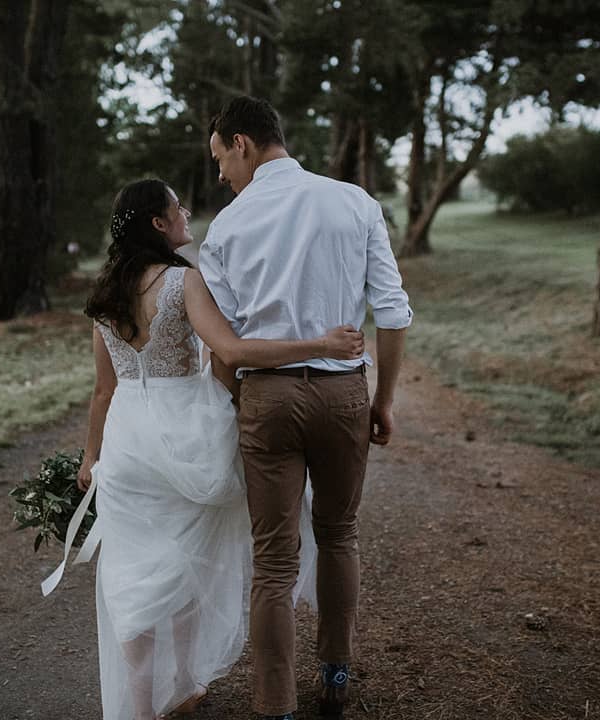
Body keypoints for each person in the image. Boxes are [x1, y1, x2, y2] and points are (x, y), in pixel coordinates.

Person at [69, 178, 365, 720]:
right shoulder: (183, 283)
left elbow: (104, 390)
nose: (185, 213)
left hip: (128, 440)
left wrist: (91, 458)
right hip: (183, 433)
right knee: (188, 559)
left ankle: (142, 703)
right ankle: (181, 686)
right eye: (176, 206)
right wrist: (322, 345)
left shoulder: (105, 293)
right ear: (159, 225)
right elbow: (230, 349)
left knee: (135, 570)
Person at [200, 96, 413, 720]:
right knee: (339, 534)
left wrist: (249, 400)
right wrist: (382, 401)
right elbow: (393, 313)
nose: (220, 175)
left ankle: (276, 704)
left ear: (242, 143)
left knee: (273, 560)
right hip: (344, 392)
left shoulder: (229, 228)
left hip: (267, 395)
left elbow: (224, 349)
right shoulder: (354, 202)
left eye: (219, 159)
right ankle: (336, 677)